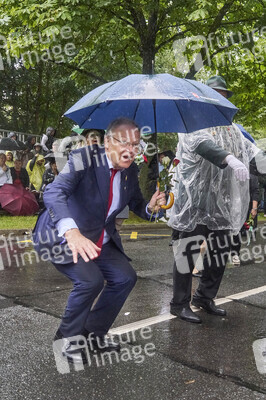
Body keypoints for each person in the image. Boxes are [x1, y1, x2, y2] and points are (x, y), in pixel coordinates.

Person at [33, 117, 166, 362]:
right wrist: (71, 232)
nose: (131, 150)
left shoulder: (130, 169)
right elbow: (54, 192)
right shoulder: (85, 158)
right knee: (90, 281)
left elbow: (135, 202)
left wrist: (150, 207)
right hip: (64, 235)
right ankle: (66, 341)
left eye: (136, 145)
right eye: (124, 143)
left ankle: (93, 336)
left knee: (125, 277)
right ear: (107, 142)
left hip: (99, 238)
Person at [168, 122, 263, 324]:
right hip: (195, 202)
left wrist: (259, 157)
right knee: (188, 252)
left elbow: (250, 149)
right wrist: (229, 158)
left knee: (220, 251)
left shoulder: (232, 130)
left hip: (221, 203)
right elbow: (202, 144)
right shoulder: (192, 125)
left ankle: (205, 296)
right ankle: (179, 304)